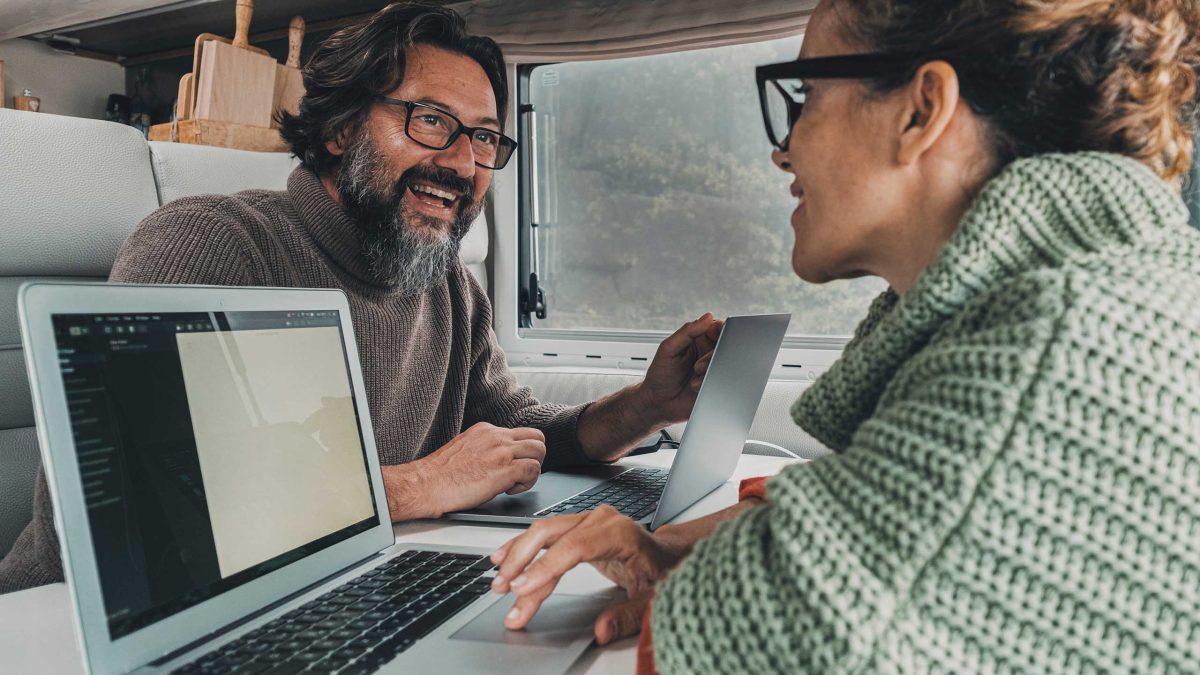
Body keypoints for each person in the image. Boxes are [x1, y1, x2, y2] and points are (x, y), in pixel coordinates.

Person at [491, 0, 1200, 672]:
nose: (783, 151)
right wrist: (674, 551)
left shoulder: (1043, 356)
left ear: (921, 110)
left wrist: (704, 576)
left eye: (804, 98)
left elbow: (793, 635)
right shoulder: (1082, 300)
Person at [0, 2, 722, 594]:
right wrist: (417, 486)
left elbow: (525, 432)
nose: (463, 162)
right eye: (432, 121)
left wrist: (648, 405)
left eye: (483, 138)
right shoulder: (209, 246)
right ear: (342, 128)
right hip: (65, 626)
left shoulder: (447, 288)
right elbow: (135, 524)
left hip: (325, 590)